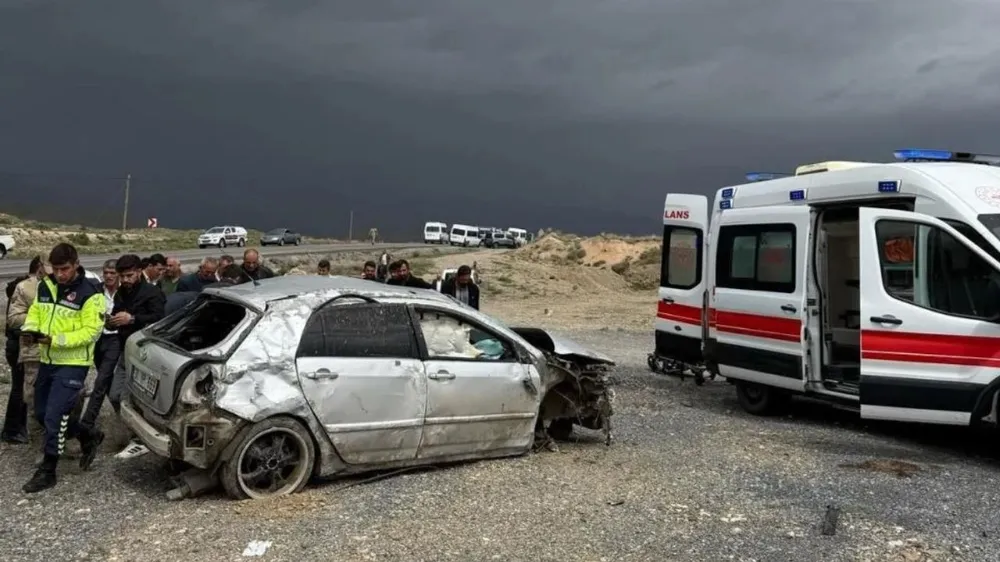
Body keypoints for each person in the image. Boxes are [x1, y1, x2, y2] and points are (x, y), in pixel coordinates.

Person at [20, 243, 106, 493]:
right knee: (41, 413)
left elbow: (92, 332)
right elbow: (36, 312)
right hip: (47, 360)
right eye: (55, 269)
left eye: (65, 269)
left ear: (76, 264)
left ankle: (48, 470)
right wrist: (30, 330)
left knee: (54, 416)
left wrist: (56, 340)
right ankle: (87, 435)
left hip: (73, 363)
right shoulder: (46, 286)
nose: (60, 274)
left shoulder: (91, 292)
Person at [106, 254, 166, 460]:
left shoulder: (152, 292)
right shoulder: (121, 292)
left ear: (139, 272)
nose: (125, 280)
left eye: (129, 275)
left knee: (138, 397)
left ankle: (140, 439)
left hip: (145, 353)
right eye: (122, 276)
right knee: (115, 395)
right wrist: (111, 321)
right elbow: (117, 315)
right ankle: (131, 432)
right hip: (125, 350)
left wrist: (132, 319)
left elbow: (160, 320)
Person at [1, 256, 46, 443]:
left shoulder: (20, 285)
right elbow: (14, 320)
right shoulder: (25, 288)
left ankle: (17, 428)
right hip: (19, 343)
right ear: (39, 269)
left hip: (17, 343)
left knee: (20, 387)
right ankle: (13, 430)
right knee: (21, 389)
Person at [78, 260, 122, 439]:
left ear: (118, 275)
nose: (109, 276)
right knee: (106, 381)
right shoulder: (95, 289)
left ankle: (87, 423)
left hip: (115, 338)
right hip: (97, 338)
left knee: (102, 379)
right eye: (106, 273)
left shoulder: (124, 292)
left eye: (112, 273)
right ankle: (122, 415)